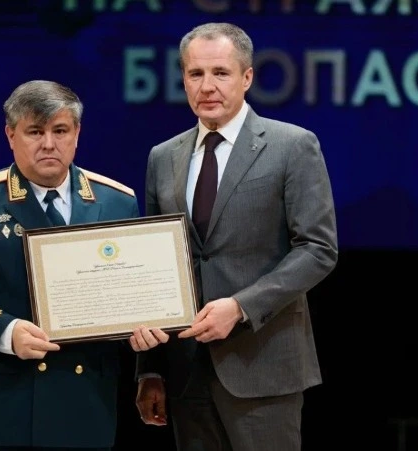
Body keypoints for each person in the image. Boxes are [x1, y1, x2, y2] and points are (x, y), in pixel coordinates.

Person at [0, 79, 164, 451]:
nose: (49, 143)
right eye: (35, 131)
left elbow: (134, 295)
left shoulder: (117, 202)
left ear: (77, 134)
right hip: (8, 409)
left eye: (60, 130)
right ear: (10, 135)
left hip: (87, 409)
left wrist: (142, 328)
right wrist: (4, 331)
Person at [134, 23, 339, 451]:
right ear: (183, 79)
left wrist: (241, 307)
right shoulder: (163, 157)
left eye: (221, 73)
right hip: (185, 371)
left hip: (262, 363)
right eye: (196, 74)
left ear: (247, 77)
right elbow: (154, 266)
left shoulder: (292, 146)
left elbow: (318, 249)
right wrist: (150, 369)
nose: (207, 86)